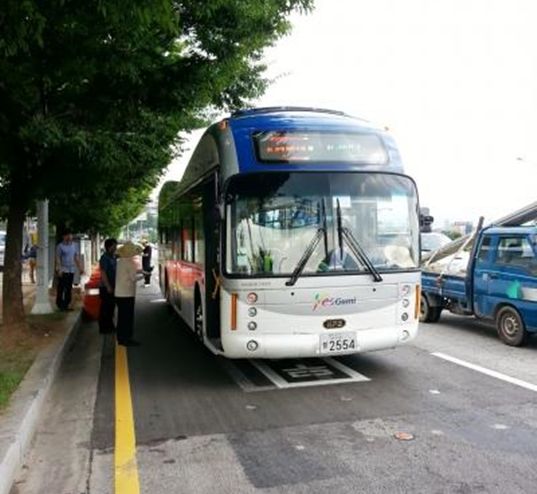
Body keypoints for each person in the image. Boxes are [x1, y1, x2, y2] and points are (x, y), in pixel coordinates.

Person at [115, 241, 143, 346]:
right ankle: (127, 339)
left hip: (118, 293)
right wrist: (144, 275)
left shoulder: (120, 261)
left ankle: (120, 338)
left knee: (121, 317)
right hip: (127, 294)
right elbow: (133, 278)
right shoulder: (130, 263)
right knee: (128, 318)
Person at [55, 231, 84, 311]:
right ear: (63, 237)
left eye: (70, 235)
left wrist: (80, 268)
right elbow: (58, 258)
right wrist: (59, 269)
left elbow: (76, 258)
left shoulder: (74, 245)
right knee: (61, 287)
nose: (69, 237)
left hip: (71, 270)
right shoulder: (60, 246)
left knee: (68, 288)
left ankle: (66, 304)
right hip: (63, 270)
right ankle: (60, 304)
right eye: (67, 235)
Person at [99, 238, 118, 334]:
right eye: (114, 246)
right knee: (105, 308)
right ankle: (103, 328)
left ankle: (110, 326)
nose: (116, 248)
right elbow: (103, 273)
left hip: (113, 286)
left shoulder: (113, 257)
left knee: (111, 307)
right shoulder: (104, 258)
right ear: (109, 247)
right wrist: (108, 286)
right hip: (105, 287)